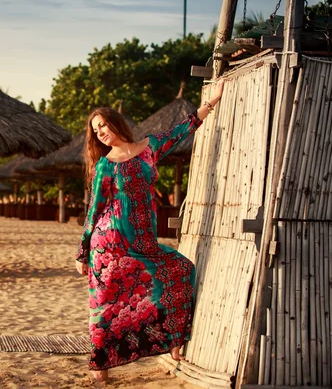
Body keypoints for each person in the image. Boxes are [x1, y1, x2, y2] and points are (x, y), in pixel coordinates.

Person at [75, 79, 225, 383]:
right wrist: (83, 251)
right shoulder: (104, 166)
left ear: (116, 123)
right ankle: (101, 366)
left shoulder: (149, 148)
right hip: (109, 243)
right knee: (106, 305)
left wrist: (210, 104)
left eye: (103, 124)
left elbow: (182, 129)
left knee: (181, 269)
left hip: (144, 242)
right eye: (96, 130)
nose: (101, 132)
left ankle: (172, 342)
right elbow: (94, 209)